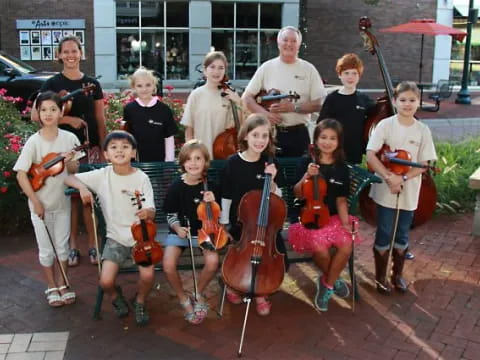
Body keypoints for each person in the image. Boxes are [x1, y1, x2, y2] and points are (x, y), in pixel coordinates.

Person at [64, 131, 156, 326]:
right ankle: (116, 297)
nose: (119, 150)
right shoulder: (102, 176)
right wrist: (83, 188)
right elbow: (68, 178)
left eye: (125, 147)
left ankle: (139, 301)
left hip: (141, 239)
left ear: (133, 153)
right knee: (105, 282)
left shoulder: (141, 178)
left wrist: (147, 212)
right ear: (106, 154)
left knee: (148, 275)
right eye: (114, 147)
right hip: (115, 239)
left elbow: (151, 210)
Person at [31, 35, 107, 267]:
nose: (71, 55)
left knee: (90, 198)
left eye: (75, 51)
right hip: (65, 151)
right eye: (66, 51)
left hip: (90, 147)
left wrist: (104, 149)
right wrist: (67, 118)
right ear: (59, 55)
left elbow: (100, 118)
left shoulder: (93, 83)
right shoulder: (52, 84)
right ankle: (73, 247)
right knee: (71, 200)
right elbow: (36, 115)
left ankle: (93, 245)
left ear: (81, 54)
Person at [366, 81, 437, 294]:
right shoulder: (385, 125)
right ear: (395, 102)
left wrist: (402, 178)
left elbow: (424, 165)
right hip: (385, 187)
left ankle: (397, 275)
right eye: (403, 100)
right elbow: (371, 154)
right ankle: (380, 278)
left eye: (412, 100)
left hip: (409, 188)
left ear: (419, 103)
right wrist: (388, 176)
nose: (407, 104)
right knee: (385, 230)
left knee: (403, 233)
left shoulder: (423, 130)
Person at [14, 91, 80, 307]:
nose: (49, 114)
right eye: (44, 110)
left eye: (53, 109)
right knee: (46, 248)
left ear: (61, 111)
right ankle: (51, 286)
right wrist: (35, 200)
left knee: (61, 247)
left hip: (62, 202)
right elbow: (21, 174)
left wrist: (70, 159)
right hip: (39, 203)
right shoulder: (34, 142)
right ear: (38, 113)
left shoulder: (69, 139)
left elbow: (73, 171)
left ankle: (63, 283)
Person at [288, 119, 360, 312]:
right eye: (323, 137)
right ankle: (334, 280)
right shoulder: (306, 161)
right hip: (307, 216)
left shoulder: (341, 167)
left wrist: (345, 224)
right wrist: (307, 177)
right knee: (320, 248)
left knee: (346, 245)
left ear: (339, 141)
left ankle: (326, 283)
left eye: (332, 138)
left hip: (333, 216)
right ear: (316, 139)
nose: (327, 142)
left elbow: (341, 200)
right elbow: (296, 192)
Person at [219, 113, 287, 316]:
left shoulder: (270, 163)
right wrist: (223, 223)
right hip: (242, 224)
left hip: (265, 226)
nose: (260, 140)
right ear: (246, 136)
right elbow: (226, 196)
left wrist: (273, 180)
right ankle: (234, 284)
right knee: (242, 257)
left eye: (265, 136)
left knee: (279, 261)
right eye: (255, 135)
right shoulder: (232, 163)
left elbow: (279, 198)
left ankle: (260, 291)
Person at [242, 26, 327, 157]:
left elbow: (320, 103)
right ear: (278, 43)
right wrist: (265, 114)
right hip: (270, 134)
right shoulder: (267, 67)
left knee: (297, 173)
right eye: (285, 40)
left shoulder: (308, 69)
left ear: (299, 45)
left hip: (299, 134)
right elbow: (247, 98)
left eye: (293, 41)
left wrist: (294, 107)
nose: (289, 44)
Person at [162, 140, 219, 324]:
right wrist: (178, 228)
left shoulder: (210, 185)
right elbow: (170, 214)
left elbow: (218, 214)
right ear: (183, 162)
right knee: (168, 264)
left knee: (212, 262)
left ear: (205, 162)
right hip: (180, 231)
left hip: (204, 231)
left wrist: (213, 202)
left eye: (198, 158)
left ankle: (198, 292)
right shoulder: (176, 187)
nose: (193, 163)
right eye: (189, 159)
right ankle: (182, 298)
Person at [181, 51, 243, 158]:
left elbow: (241, 126)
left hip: (224, 152)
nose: (216, 71)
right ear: (205, 70)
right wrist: (191, 153)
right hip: (201, 155)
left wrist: (238, 102)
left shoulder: (230, 94)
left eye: (221, 68)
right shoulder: (196, 94)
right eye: (212, 67)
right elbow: (189, 129)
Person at [318, 53, 375, 164]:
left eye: (354, 73)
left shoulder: (364, 99)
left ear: (359, 76)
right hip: (334, 154)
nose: (350, 77)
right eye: (346, 73)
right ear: (339, 75)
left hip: (355, 154)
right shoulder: (332, 99)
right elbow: (321, 125)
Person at [123, 67, 177, 162]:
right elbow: (127, 138)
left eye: (148, 85)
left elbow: (169, 137)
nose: (144, 89)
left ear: (154, 85)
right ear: (134, 87)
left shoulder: (164, 110)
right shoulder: (129, 109)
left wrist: (169, 163)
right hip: (137, 164)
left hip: (159, 163)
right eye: (139, 86)